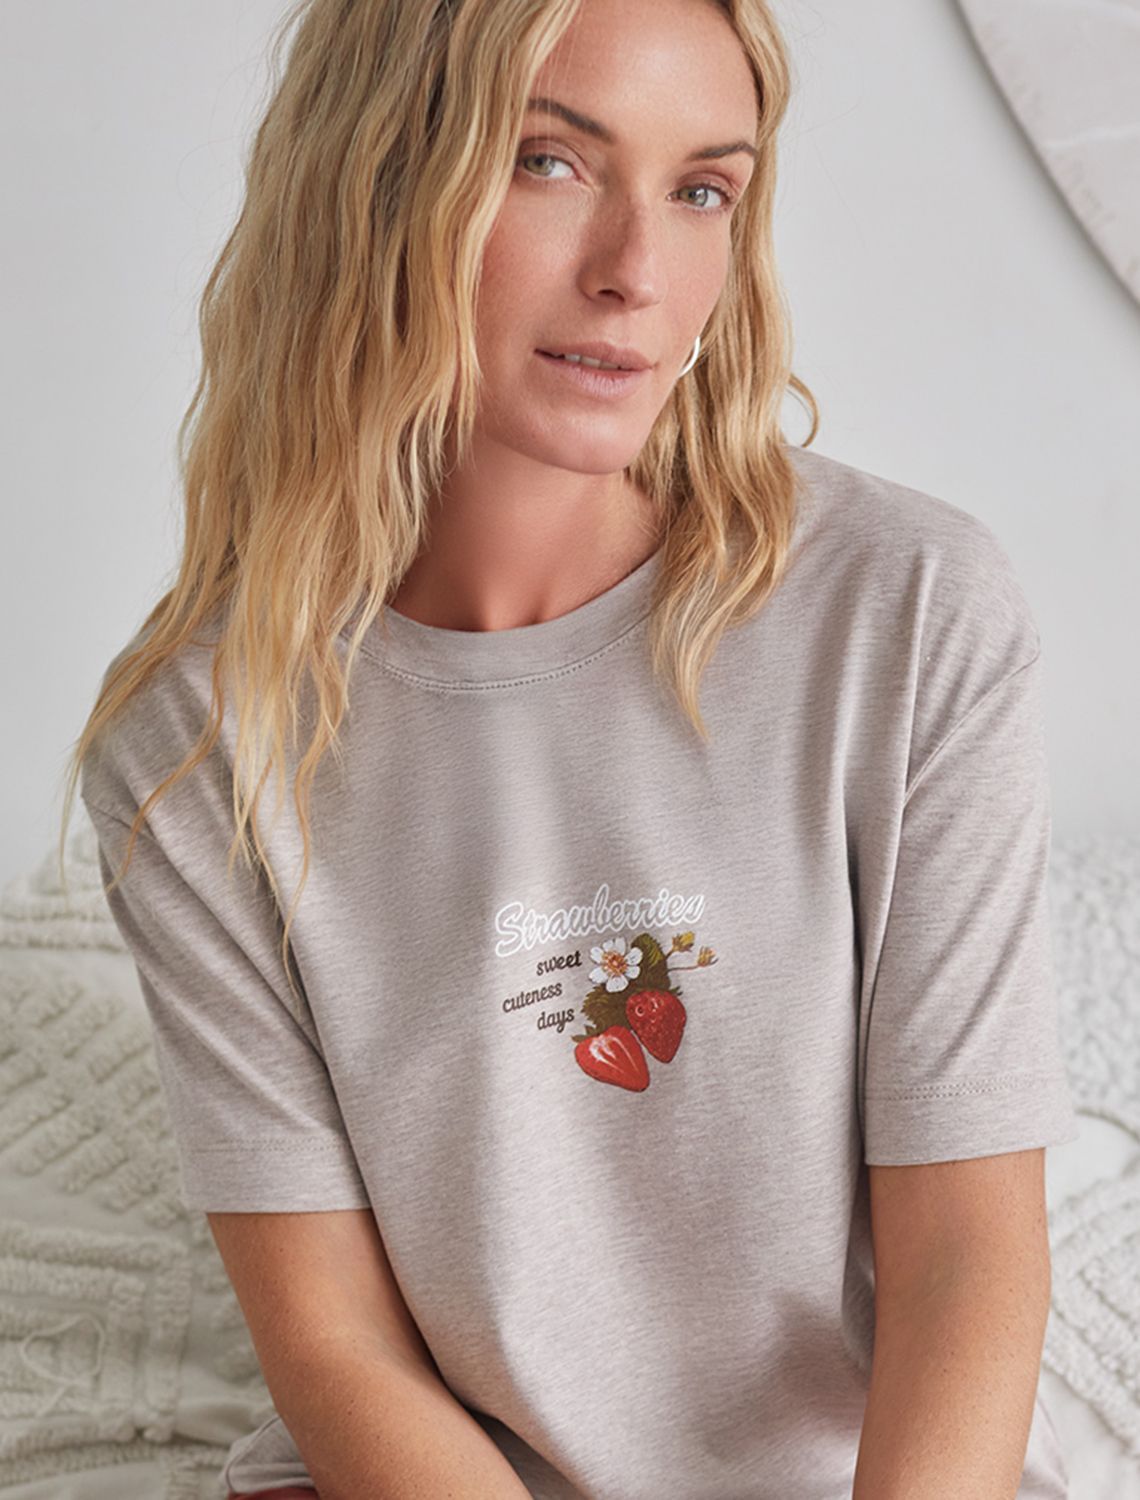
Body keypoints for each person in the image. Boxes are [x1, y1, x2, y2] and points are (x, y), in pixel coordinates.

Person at [61, 0, 1081, 1495]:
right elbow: (337, 1346)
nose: (636, 272)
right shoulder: (195, 739)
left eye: (702, 189)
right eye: (548, 162)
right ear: (377, 182)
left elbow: (968, 1258)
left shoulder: (910, 612)